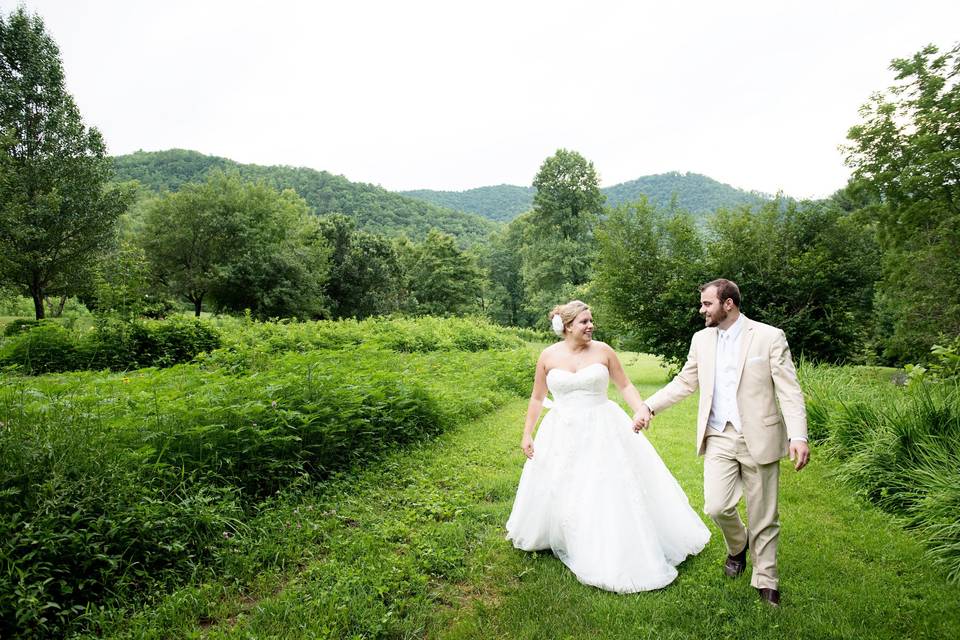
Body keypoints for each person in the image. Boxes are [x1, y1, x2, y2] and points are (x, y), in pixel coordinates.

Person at [505, 300, 709, 593]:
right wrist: (527, 434)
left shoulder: (603, 351)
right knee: (564, 483)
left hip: (602, 426)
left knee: (604, 484)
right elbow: (537, 398)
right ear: (567, 326)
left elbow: (625, 385)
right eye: (585, 322)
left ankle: (605, 539)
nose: (591, 326)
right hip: (561, 429)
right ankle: (564, 532)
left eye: (591, 321)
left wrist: (641, 410)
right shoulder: (547, 356)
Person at [634, 279, 810, 606]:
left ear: (727, 304)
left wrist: (797, 435)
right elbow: (685, 382)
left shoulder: (769, 337)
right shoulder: (701, 340)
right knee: (716, 505)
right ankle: (738, 545)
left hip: (760, 435)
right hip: (718, 436)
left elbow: (789, 389)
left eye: (707, 304)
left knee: (763, 514)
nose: (702, 310)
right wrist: (649, 406)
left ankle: (766, 579)